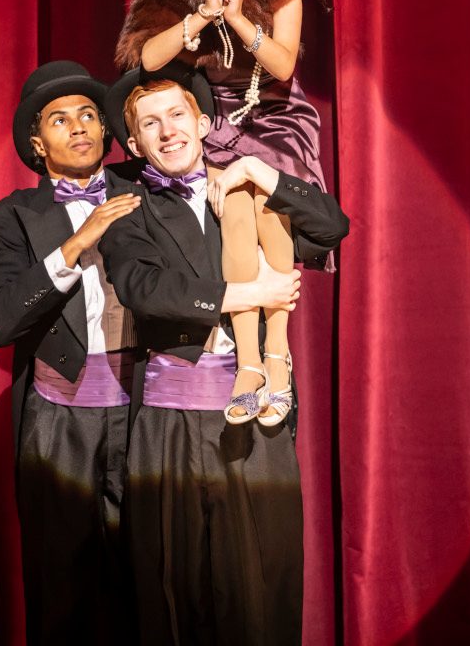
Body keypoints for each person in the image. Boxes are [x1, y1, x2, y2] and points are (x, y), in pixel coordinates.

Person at [100, 62, 349, 646]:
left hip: (256, 421)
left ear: (202, 120)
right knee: (172, 586)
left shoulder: (248, 194)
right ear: (135, 142)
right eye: (150, 124)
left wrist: (265, 172)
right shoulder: (126, 203)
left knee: (261, 581)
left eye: (177, 115)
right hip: (168, 428)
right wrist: (249, 294)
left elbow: (331, 227)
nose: (167, 132)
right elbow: (144, 290)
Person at [115, 0, 329, 424]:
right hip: (214, 120)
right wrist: (201, 13)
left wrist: (235, 16)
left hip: (276, 118)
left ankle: (275, 356)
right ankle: (252, 362)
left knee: (265, 207)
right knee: (234, 210)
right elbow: (146, 59)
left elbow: (282, 67)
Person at [0, 61, 141, 645]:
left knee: (146, 587)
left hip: (148, 413)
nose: (79, 127)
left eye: (90, 115)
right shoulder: (14, 218)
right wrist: (73, 246)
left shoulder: (145, 193)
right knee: (63, 590)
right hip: (58, 417)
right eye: (60, 118)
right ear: (37, 143)